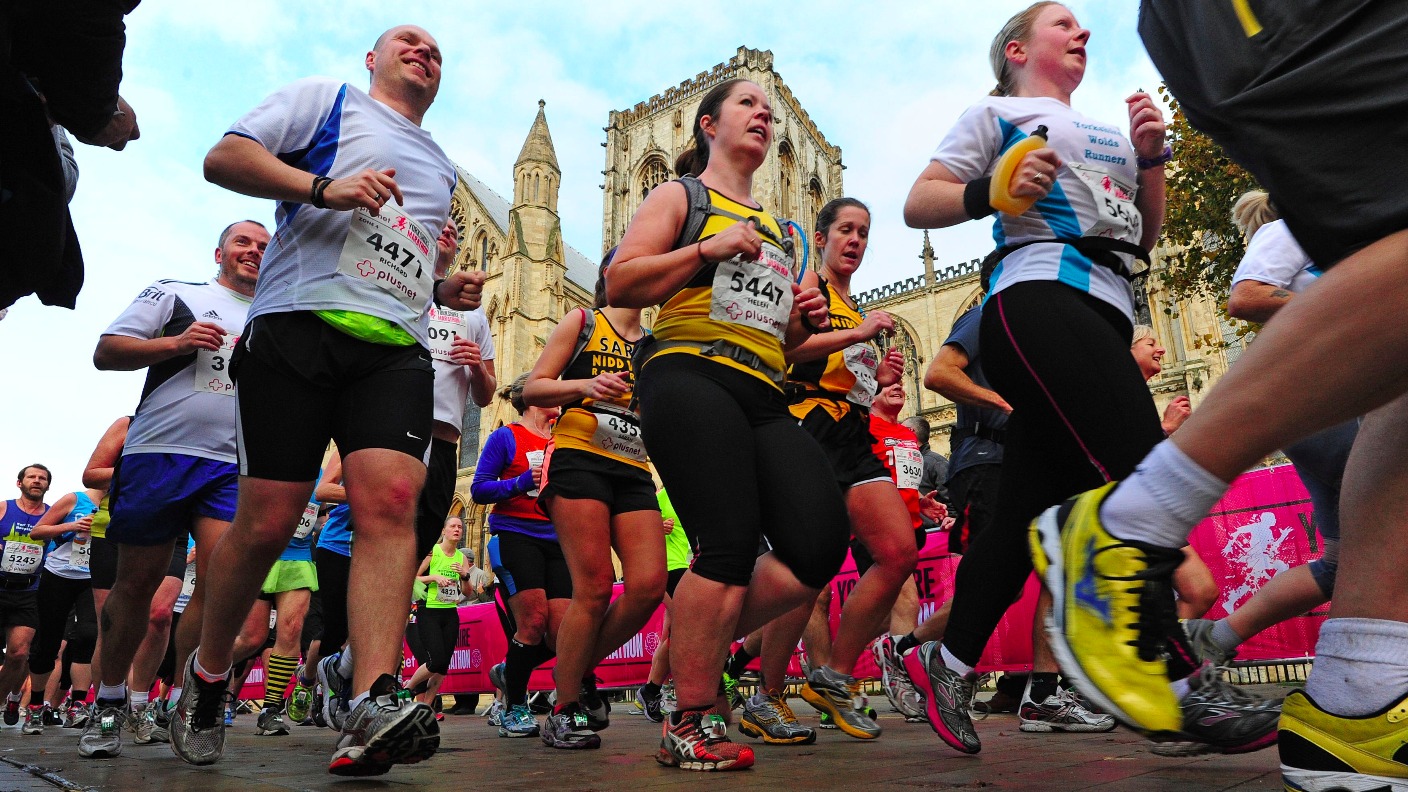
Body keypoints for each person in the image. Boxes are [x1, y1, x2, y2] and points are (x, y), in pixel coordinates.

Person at [901, 3, 1278, 756]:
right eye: (1063, 23)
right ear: (1017, 49)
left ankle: (943, 662)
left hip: (1104, 311)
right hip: (1037, 297)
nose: (1083, 32)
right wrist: (991, 192)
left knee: (1021, 518)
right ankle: (1170, 683)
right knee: (1143, 473)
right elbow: (920, 202)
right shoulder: (998, 114)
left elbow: (1141, 239)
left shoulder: (1105, 132)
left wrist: (1151, 161)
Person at [186, 25, 483, 776]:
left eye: (436, 51)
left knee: (392, 503)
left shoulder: (440, 164)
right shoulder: (329, 101)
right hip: (297, 324)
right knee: (265, 523)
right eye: (408, 41)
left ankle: (371, 697)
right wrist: (323, 187)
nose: (424, 52)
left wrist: (441, 286)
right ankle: (209, 673)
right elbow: (223, 158)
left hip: (395, 347)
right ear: (372, 59)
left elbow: (397, 248)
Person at [608, 77, 847, 772]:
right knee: (728, 544)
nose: (762, 114)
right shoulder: (680, 197)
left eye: (767, 110)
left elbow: (787, 345)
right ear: (708, 125)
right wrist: (705, 251)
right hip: (689, 372)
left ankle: (691, 644)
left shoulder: (781, 234)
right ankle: (689, 717)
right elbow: (620, 283)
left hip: (762, 389)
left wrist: (804, 321)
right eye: (747, 104)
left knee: (818, 543)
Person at [81, 220, 268, 759]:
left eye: (263, 245)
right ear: (219, 252)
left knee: (218, 585)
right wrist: (178, 343)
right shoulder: (176, 293)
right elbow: (107, 351)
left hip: (231, 465)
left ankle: (191, 704)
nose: (253, 251)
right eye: (243, 242)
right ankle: (109, 702)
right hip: (159, 453)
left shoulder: (277, 313)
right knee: (136, 585)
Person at [1180, 195, 1356, 686]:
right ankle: (1356, 684)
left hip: (1333, 408)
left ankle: (1213, 641)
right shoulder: (1291, 230)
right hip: (1329, 406)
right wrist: (1348, 306)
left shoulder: (1337, 241)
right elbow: (1246, 296)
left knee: (1340, 563)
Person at [768, 196, 909, 744]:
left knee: (898, 552)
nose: (856, 240)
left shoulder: (852, 305)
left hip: (854, 432)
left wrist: (879, 376)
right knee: (809, 575)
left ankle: (833, 676)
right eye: (846, 230)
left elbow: (848, 377)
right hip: (810, 427)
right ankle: (767, 693)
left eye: (864, 233)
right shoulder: (811, 287)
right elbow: (789, 352)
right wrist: (857, 336)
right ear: (821, 237)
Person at [523, 256, 666, 750]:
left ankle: (575, 668)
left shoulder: (654, 345)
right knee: (595, 588)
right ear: (611, 276)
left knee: (648, 585)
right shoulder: (583, 321)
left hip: (633, 465)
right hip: (579, 458)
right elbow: (533, 387)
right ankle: (564, 708)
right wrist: (585, 385)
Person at [471, 375, 564, 740]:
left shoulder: (564, 439)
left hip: (560, 540)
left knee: (563, 633)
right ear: (533, 396)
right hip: (516, 535)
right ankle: (514, 706)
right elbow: (479, 489)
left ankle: (510, 670)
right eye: (552, 390)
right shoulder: (506, 436)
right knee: (533, 622)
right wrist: (521, 482)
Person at [864, 381, 947, 723]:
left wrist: (920, 503)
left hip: (909, 528)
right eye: (886, 386)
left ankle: (833, 664)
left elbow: (902, 480)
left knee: (879, 613)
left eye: (899, 385)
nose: (896, 388)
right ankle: (903, 675)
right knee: (908, 599)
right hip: (877, 525)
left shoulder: (907, 435)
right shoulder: (864, 427)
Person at [415, 219, 496, 560]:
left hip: (445, 442)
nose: (448, 231)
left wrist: (476, 366)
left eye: (454, 230)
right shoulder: (401, 286)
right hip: (397, 428)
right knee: (383, 532)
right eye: (439, 225)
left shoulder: (475, 313)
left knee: (421, 542)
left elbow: (486, 395)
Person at [23, 485, 103, 734]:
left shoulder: (120, 503)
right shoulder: (74, 499)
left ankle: (78, 703)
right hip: (58, 574)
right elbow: (37, 531)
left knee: (89, 635)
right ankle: (36, 705)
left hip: (93, 578)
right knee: (48, 642)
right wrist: (72, 526)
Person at [1, 465, 53, 725]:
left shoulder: (53, 515)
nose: (37, 480)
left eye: (42, 478)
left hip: (29, 592)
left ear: (47, 486)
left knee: (19, 654)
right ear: (19, 482)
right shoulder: (4, 508)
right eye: (31, 476)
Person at [637, 487, 693, 723]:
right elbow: (635, 528)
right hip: (669, 567)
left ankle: (652, 691)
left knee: (671, 635)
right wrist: (656, 527)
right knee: (684, 630)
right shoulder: (662, 495)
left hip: (689, 567)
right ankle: (662, 691)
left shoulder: (698, 492)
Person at [407, 517, 469, 711]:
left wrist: (464, 576)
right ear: (444, 530)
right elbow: (413, 577)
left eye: (460, 527)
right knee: (435, 661)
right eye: (453, 526)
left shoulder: (461, 557)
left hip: (450, 614)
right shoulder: (433, 551)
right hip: (429, 611)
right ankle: (408, 689)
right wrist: (434, 577)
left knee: (443, 666)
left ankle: (427, 707)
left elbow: (467, 592)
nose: (457, 529)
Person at [904, 417, 950, 511]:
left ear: (910, 431)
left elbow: (951, 504)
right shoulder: (902, 462)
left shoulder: (937, 463)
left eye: (900, 430)